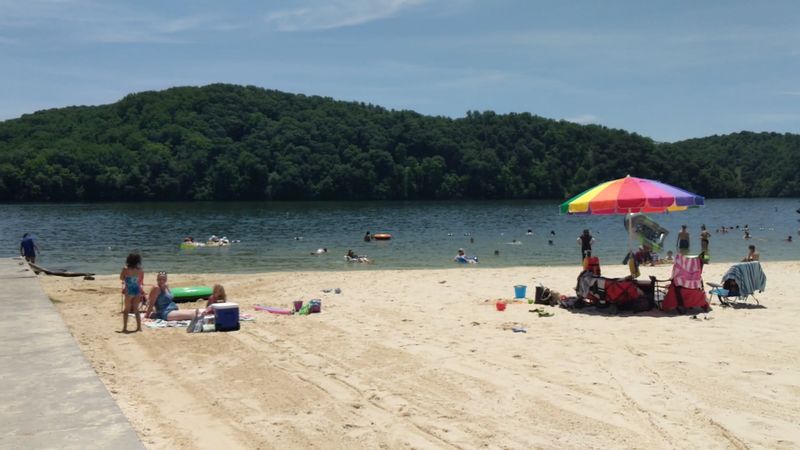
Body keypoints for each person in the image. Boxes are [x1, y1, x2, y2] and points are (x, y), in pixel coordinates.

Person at [119, 253, 144, 333]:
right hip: (137, 290)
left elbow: (121, 278)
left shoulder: (125, 269)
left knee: (126, 310)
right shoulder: (140, 270)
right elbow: (140, 281)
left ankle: (125, 328)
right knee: (136, 310)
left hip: (129, 291)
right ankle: (139, 327)